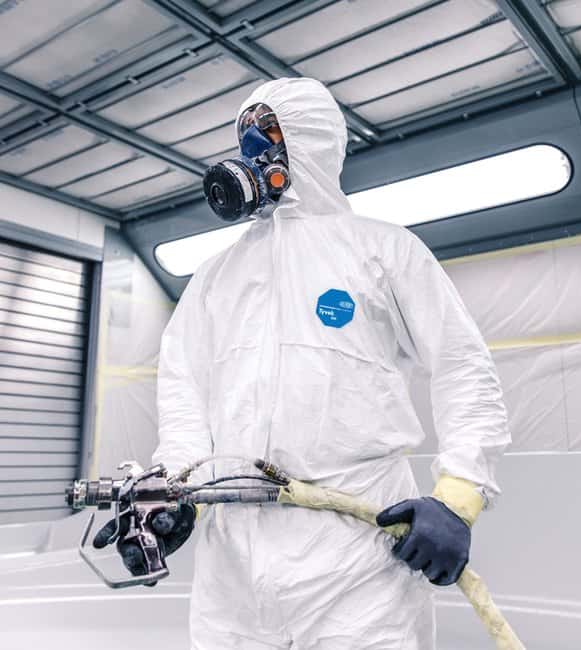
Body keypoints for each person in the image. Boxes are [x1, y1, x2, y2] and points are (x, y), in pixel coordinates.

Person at [97, 76, 510, 649]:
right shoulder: (216, 276)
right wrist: (176, 489)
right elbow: (183, 389)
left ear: (312, 142)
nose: (252, 156)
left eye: (268, 137)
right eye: (245, 141)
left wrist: (459, 495)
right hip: (234, 567)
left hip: (358, 554)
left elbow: (462, 366)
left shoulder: (382, 251)